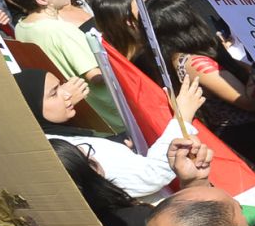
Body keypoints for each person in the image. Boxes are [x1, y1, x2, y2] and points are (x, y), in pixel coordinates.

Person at [148, 0, 255, 187]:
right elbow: (248, 101)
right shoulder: (195, 62)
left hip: (245, 133)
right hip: (249, 134)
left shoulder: (175, 58)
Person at [18, 66, 206, 201]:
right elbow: (149, 176)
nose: (67, 93)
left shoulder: (50, 139)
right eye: (53, 94)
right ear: (29, 108)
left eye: (60, 85)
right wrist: (182, 120)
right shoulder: (67, 150)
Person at [5, 0, 123, 129]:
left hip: (85, 119)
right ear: (42, 0)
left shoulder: (21, 28)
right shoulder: (61, 31)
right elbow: (96, 77)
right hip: (113, 116)